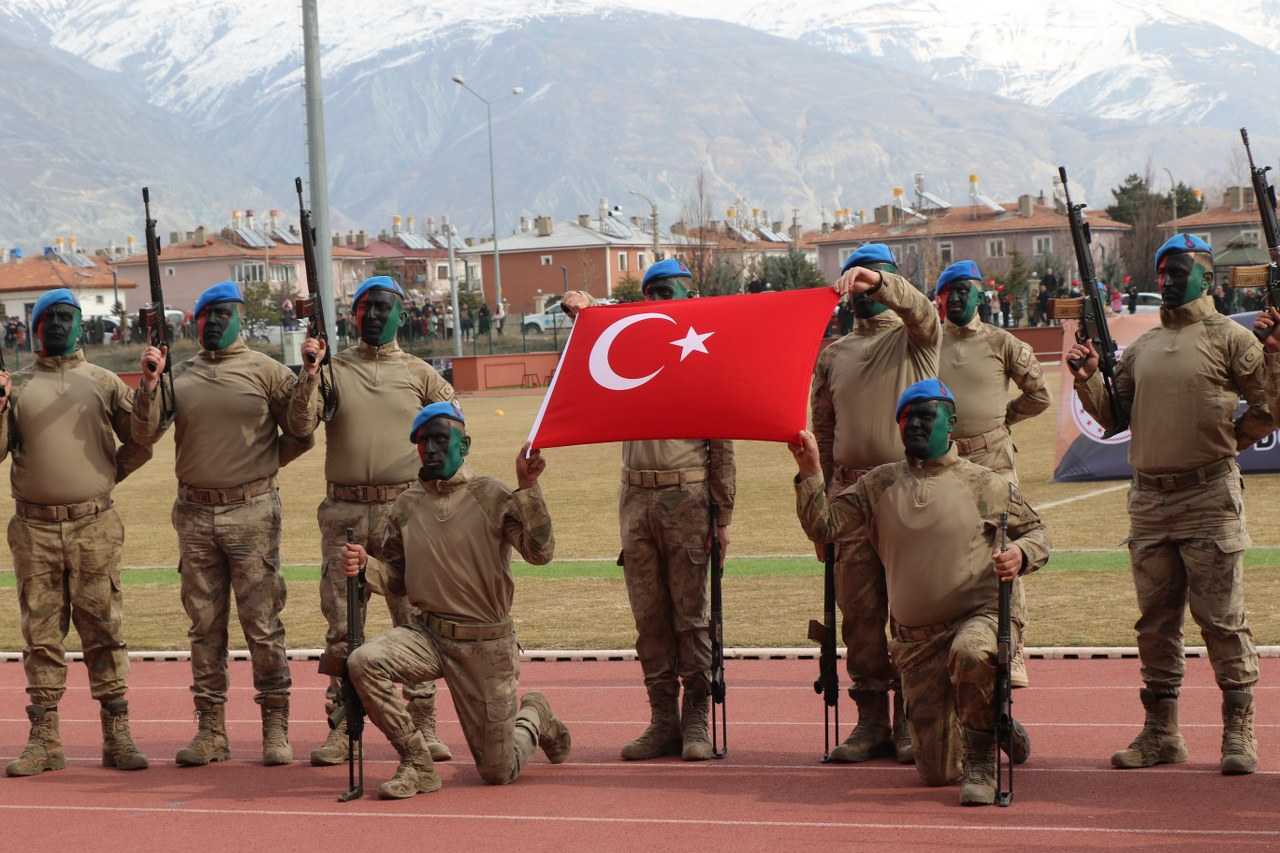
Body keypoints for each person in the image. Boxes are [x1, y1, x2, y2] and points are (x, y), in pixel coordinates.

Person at [1067, 234, 1272, 776]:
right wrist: (1088, 379)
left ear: (1208, 276)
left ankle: (1238, 729)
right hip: (1150, 503)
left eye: (1177, 271)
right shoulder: (1143, 347)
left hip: (1209, 498)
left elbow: (1270, 406)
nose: (1166, 281)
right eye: (1161, 273)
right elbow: (1114, 417)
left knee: (1221, 621)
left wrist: (1229, 440)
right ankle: (1162, 732)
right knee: (1156, 624)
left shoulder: (1232, 338)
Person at [790, 379, 1048, 805]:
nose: (913, 424)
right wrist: (811, 470)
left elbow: (1037, 531)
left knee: (971, 653)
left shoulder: (985, 483)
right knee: (936, 773)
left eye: (926, 416)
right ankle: (995, 716)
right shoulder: (879, 485)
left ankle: (982, 760)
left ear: (951, 424)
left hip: (977, 617)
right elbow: (824, 526)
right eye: (906, 417)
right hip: (915, 641)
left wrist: (1021, 552)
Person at [340, 401, 570, 799]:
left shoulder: (493, 495)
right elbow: (397, 580)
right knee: (363, 661)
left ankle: (535, 715)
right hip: (427, 637)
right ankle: (418, 763)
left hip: (487, 645)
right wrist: (366, 566)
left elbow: (540, 552)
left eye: (439, 439)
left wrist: (528, 488)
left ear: (464, 445)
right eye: (421, 441)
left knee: (498, 772)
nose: (429, 448)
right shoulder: (406, 506)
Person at [134, 280, 316, 768]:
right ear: (195, 322)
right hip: (194, 514)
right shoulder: (179, 374)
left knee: (261, 624)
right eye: (205, 315)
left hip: (251, 512)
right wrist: (150, 384)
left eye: (222, 313)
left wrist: (263, 464)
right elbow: (144, 433)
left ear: (239, 318)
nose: (213, 322)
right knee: (204, 626)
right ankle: (211, 730)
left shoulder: (267, 372)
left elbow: (302, 431)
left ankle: (275, 727)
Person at [561, 257, 736, 762]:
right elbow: (599, 332)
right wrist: (584, 310)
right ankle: (663, 719)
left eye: (670, 292)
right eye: (652, 293)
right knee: (650, 617)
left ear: (689, 298)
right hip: (635, 497)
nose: (660, 301)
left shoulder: (702, 356)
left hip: (688, 496)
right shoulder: (630, 350)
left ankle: (696, 717)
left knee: (692, 616)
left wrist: (721, 518)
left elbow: (721, 446)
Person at [291, 276, 457, 767]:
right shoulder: (332, 370)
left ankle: (423, 724)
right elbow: (300, 427)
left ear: (401, 315)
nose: (374, 316)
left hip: (404, 513)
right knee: (344, 628)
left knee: (414, 621)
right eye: (365, 308)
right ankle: (345, 730)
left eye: (384, 308)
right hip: (343, 513)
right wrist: (309, 372)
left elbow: (451, 439)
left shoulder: (423, 375)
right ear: (352, 315)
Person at [1, 289, 153, 777]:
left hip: (95, 525)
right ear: (37, 327)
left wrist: (149, 389)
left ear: (79, 325)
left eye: (70, 317)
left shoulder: (104, 382)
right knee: (41, 634)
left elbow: (143, 438)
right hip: (35, 529)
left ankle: (116, 735)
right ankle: (45, 740)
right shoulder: (17, 386)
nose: (62, 324)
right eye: (53, 317)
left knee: (104, 628)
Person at [809, 242, 941, 765]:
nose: (862, 289)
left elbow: (922, 309)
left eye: (876, 280)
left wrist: (878, 279)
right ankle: (871, 721)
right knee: (859, 614)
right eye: (854, 281)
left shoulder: (916, 340)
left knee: (910, 611)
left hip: (905, 489)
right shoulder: (833, 354)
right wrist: (819, 504)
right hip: (848, 496)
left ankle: (911, 717)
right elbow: (822, 428)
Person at [934, 261, 1049, 687]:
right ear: (939, 299)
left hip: (993, 463)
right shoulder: (927, 343)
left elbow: (1039, 395)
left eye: (966, 290)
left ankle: (1014, 646)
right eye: (951, 292)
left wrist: (1002, 422)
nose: (958, 298)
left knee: (1004, 549)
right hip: (942, 464)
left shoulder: (1004, 343)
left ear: (981, 296)